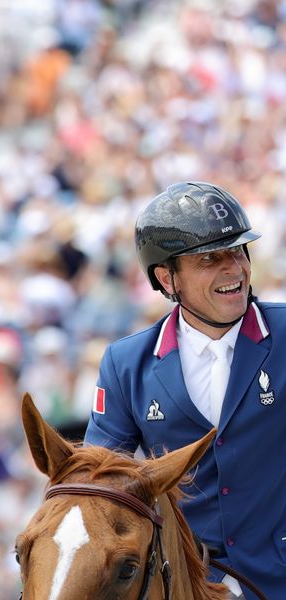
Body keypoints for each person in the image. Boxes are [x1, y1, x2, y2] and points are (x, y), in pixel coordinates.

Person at [84, 181, 286, 600]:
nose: (234, 269)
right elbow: (101, 487)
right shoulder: (125, 364)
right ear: (167, 278)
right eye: (210, 258)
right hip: (184, 583)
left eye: (238, 251)